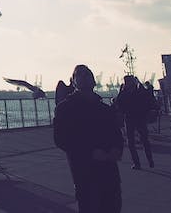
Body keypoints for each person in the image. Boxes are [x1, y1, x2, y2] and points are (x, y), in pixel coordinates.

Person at [53, 64, 123, 213]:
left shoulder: (104, 109)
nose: (84, 77)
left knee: (113, 206)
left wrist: (117, 149)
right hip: (84, 171)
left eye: (88, 74)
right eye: (80, 74)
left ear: (93, 81)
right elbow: (61, 139)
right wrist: (90, 153)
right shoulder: (64, 109)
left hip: (109, 170)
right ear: (73, 81)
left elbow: (116, 134)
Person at [113, 74, 156, 169]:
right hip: (140, 117)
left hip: (129, 118)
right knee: (144, 140)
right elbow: (148, 99)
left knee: (131, 142)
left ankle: (137, 163)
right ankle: (150, 160)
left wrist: (121, 91)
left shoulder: (124, 93)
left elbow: (118, 104)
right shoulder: (140, 91)